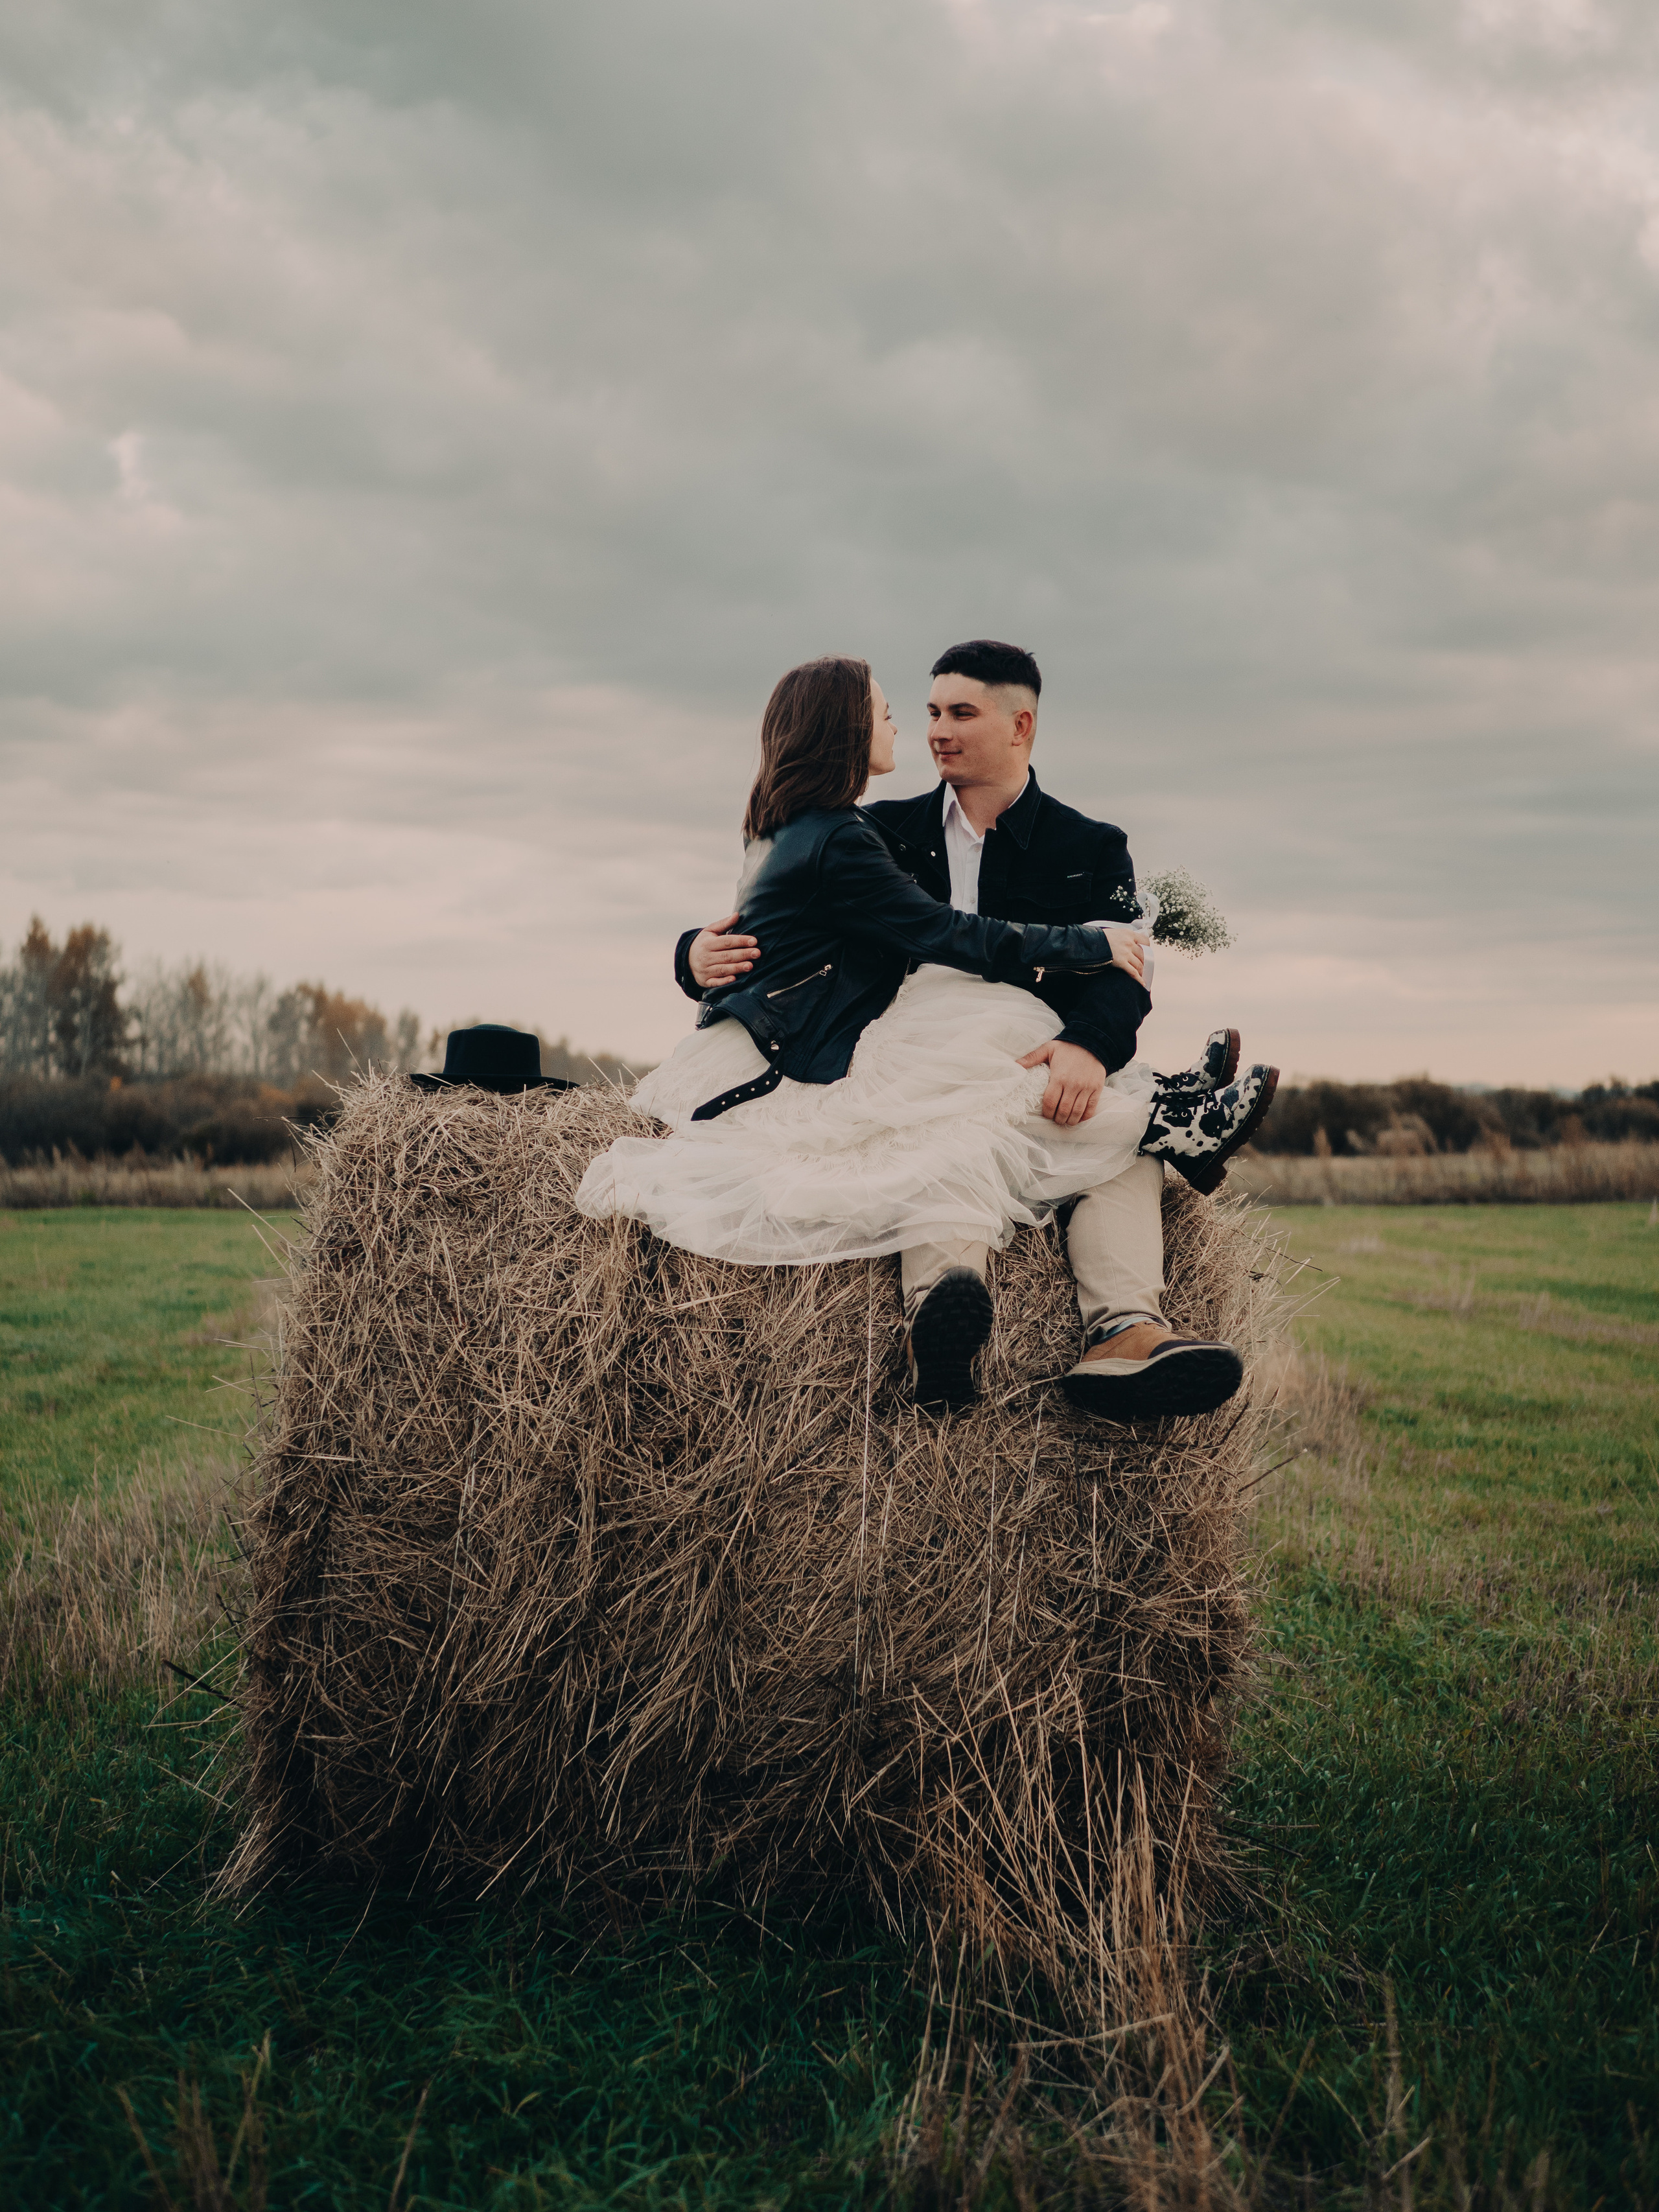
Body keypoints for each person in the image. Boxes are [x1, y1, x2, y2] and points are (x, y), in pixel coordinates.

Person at [578, 651, 1275, 1418]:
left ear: (1022, 725)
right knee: (950, 1139)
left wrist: (1089, 1048)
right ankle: (941, 1317)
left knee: (1101, 1138)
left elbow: (1125, 973)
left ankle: (1126, 1333)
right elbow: (782, 922)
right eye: (929, 711)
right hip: (911, 1052)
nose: (935, 730)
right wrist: (690, 952)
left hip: (1038, 1048)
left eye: (959, 714)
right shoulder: (877, 827)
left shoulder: (1093, 846)